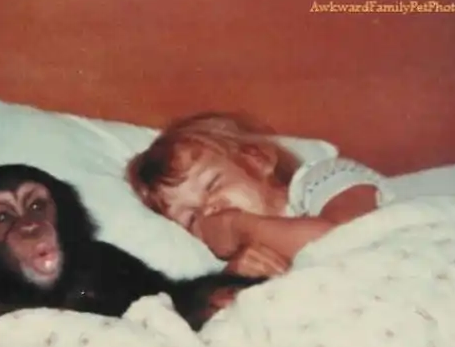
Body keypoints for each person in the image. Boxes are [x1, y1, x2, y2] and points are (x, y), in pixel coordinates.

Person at [125, 112, 395, 277]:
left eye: (212, 185)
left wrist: (238, 226)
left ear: (257, 160)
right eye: (191, 218)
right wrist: (235, 281)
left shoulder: (320, 178)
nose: (208, 210)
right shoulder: (230, 260)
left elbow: (346, 239)